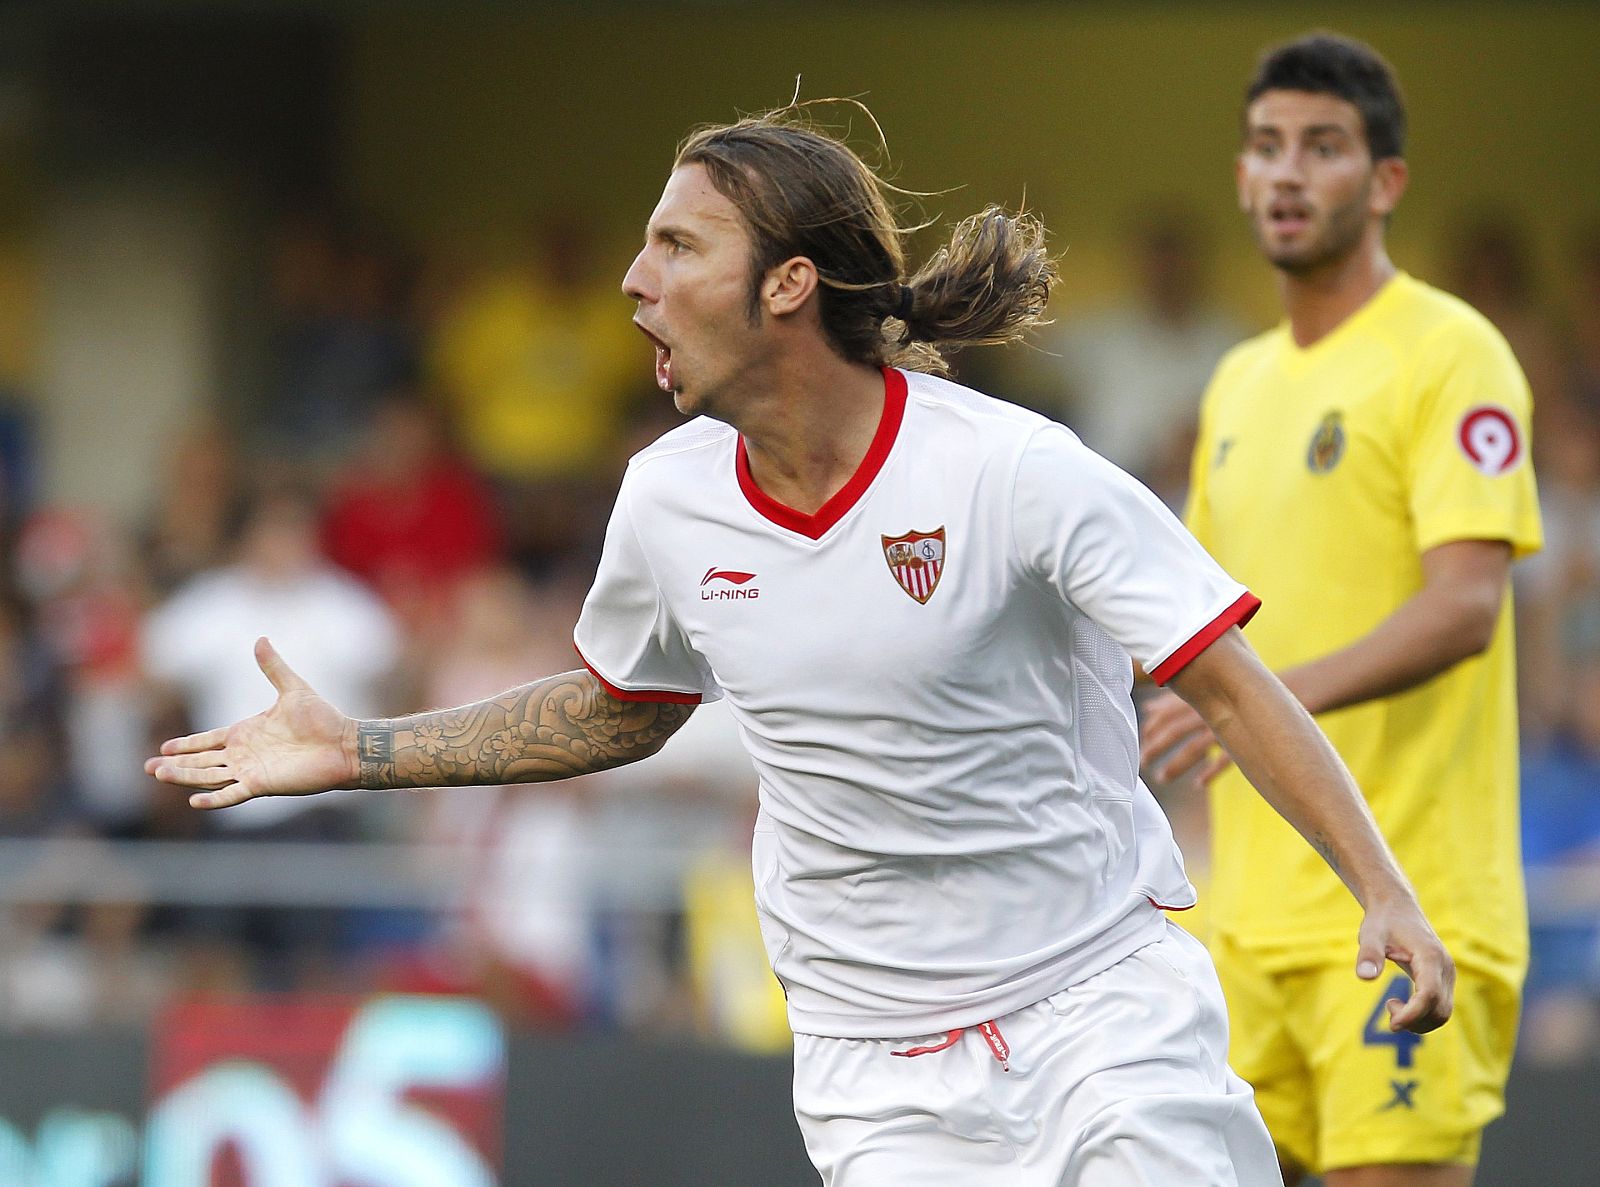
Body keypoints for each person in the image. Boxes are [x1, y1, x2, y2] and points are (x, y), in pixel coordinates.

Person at [148, 106, 1453, 1187]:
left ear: (786, 283)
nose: (634, 280)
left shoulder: (1014, 470)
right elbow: (621, 705)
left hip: (1098, 1005)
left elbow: (1227, 682)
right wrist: (361, 747)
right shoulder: (667, 497)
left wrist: (1382, 888)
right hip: (873, 1067)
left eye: (676, 244)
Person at [1140, 33, 1542, 1187]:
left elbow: (1464, 607)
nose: (1286, 171)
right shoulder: (1237, 382)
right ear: (1239, 174)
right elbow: (1200, 622)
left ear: (1385, 181)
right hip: (1244, 918)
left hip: (1408, 901)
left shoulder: (1452, 352)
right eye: (1266, 146)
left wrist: (1256, 701)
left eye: (1321, 147)